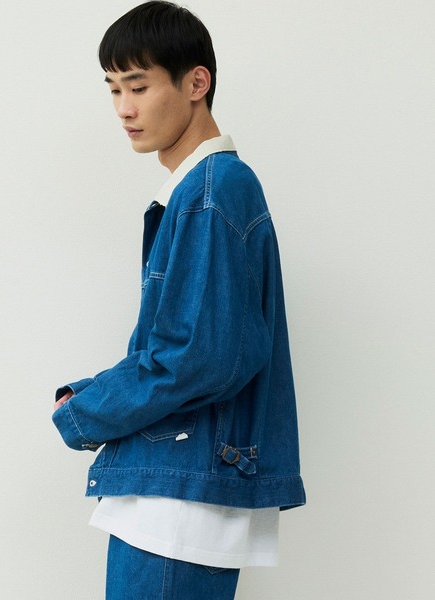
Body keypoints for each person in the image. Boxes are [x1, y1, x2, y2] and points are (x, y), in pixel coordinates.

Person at [52, 2, 305, 598]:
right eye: (114, 88)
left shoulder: (213, 190)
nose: (124, 109)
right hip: (173, 485)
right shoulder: (199, 190)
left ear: (196, 83)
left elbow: (199, 357)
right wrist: (91, 393)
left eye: (138, 86)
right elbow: (194, 347)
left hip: (178, 497)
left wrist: (86, 412)